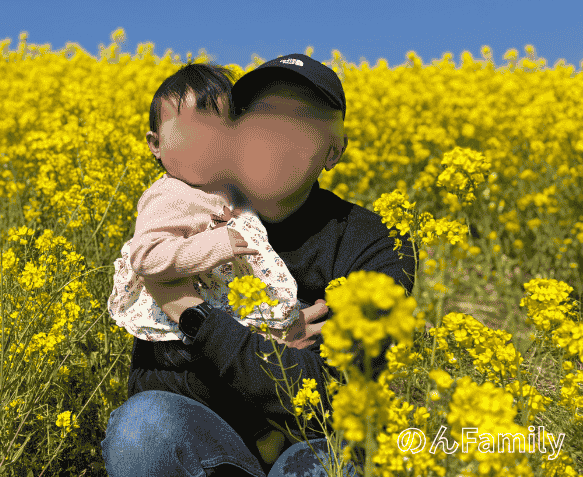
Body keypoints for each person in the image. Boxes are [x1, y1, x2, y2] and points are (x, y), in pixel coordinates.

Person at [101, 54, 416, 477]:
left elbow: (330, 393)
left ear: (334, 150)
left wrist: (192, 314)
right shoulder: (192, 209)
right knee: (143, 427)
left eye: (300, 120)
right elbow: (154, 383)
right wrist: (269, 347)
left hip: (312, 446)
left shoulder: (376, 242)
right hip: (208, 445)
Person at [106, 63, 303, 347]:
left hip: (233, 319)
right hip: (182, 334)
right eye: (189, 134)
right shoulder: (171, 194)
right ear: (156, 144)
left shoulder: (230, 190)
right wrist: (213, 246)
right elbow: (146, 256)